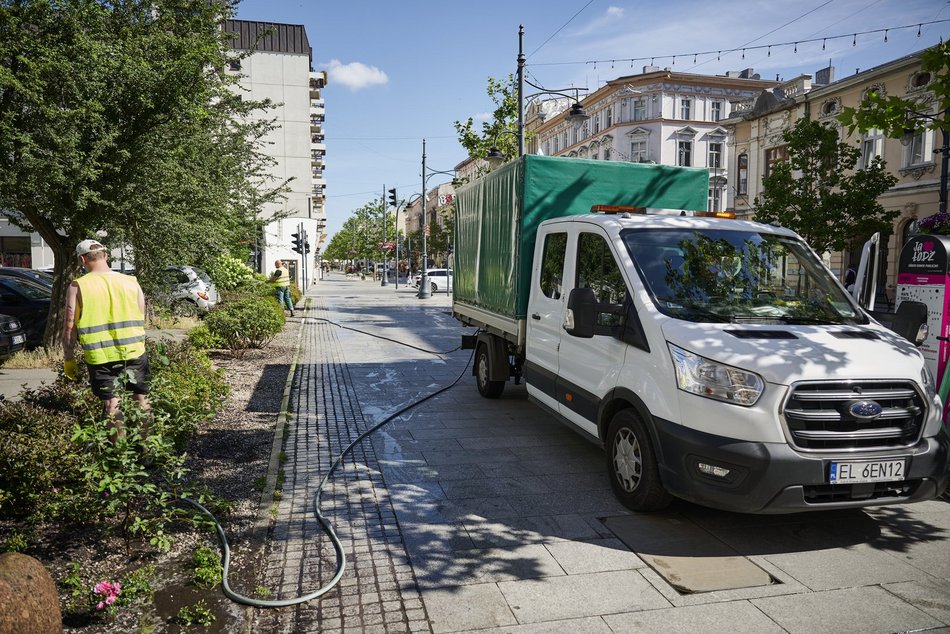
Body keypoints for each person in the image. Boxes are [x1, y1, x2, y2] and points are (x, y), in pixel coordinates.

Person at [62, 239, 151, 439]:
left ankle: (120, 458)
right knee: (142, 399)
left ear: (82, 259)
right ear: (106, 256)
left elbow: (69, 326)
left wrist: (69, 359)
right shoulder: (131, 282)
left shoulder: (77, 286)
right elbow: (141, 316)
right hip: (134, 352)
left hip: (100, 356)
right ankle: (148, 451)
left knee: (112, 405)